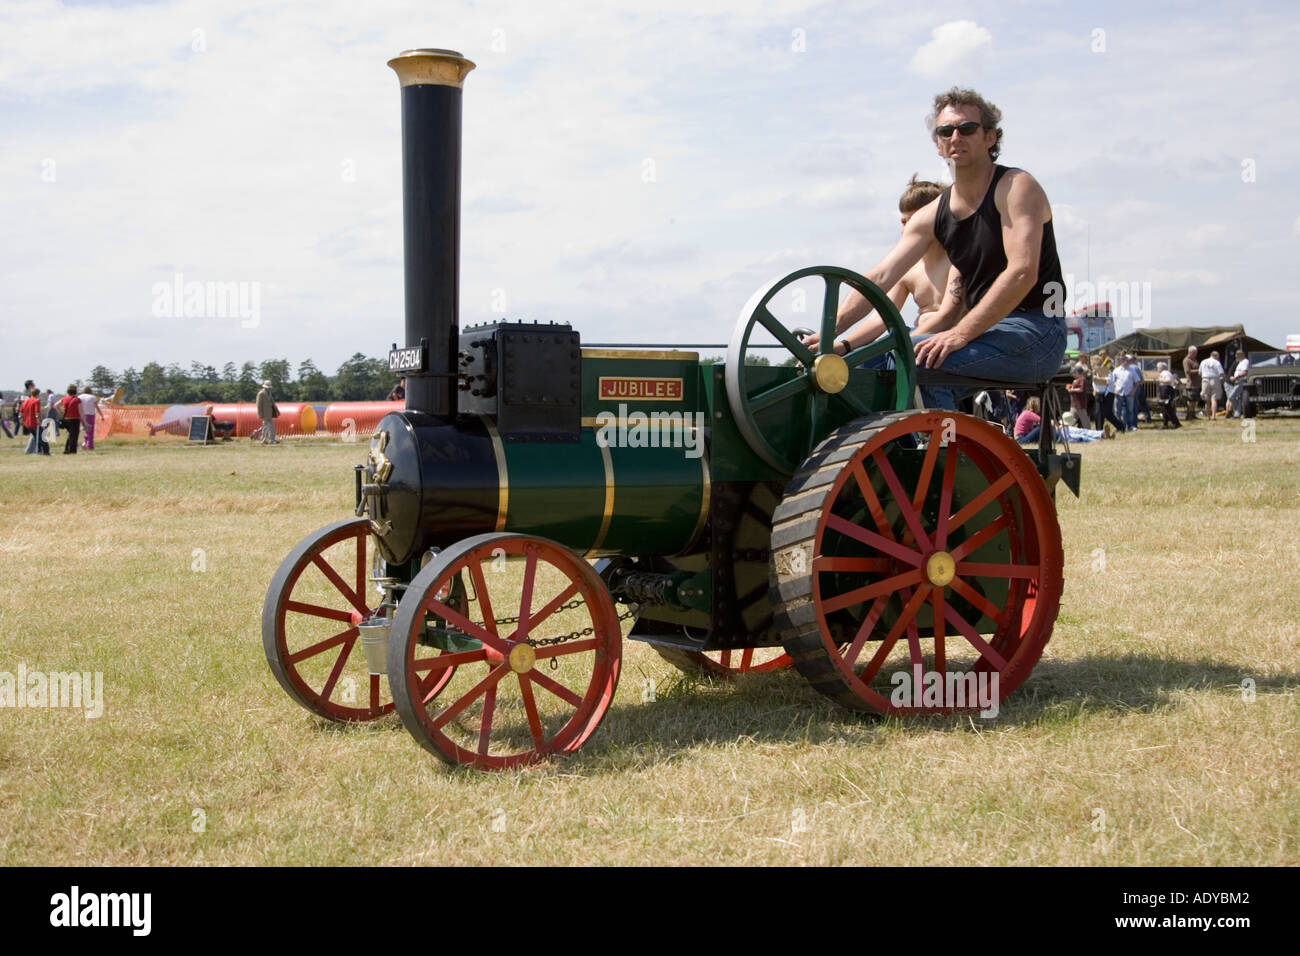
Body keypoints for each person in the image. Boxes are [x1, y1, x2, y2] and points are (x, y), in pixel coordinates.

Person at [816, 87, 1067, 410]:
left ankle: (945, 456)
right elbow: (880, 276)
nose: (955, 137)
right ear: (938, 145)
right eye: (945, 131)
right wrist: (830, 336)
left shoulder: (1016, 187)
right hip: (985, 332)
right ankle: (882, 453)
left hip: (1037, 331)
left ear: (990, 137)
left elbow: (1022, 272)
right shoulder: (933, 213)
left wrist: (960, 333)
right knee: (861, 365)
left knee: (920, 358)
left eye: (967, 128)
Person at [886, 175, 951, 325]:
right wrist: (845, 345)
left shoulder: (958, 260)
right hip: (921, 333)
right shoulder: (907, 268)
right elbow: (881, 319)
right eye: (904, 222)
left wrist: (924, 320)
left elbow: (953, 314)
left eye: (915, 221)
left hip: (951, 335)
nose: (908, 228)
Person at [1199, 350, 1225, 419]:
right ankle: (1213, 416)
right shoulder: (1217, 362)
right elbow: (1221, 373)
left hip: (1205, 380)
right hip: (1214, 379)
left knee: (1207, 399)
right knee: (1214, 399)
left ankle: (1208, 416)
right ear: (1216, 356)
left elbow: (1200, 372)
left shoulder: (1203, 361)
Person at [21, 387, 48, 455]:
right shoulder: (36, 401)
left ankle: (38, 450)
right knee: (42, 437)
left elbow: (21, 412)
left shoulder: (26, 401)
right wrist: (39, 420)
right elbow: (37, 412)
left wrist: (21, 420)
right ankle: (46, 452)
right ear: (38, 394)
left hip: (27, 423)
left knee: (37, 437)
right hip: (34, 423)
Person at [1066, 363, 1092, 428]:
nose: (1074, 374)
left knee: (1084, 420)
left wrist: (1072, 390)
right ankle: (1067, 431)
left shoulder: (1082, 379)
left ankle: (1090, 432)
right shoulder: (1076, 380)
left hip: (1079, 404)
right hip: (1074, 404)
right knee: (1070, 419)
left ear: (1078, 372)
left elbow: (1081, 389)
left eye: (1075, 372)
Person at [1156, 362, 1181, 429]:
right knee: (1164, 408)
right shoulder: (1165, 373)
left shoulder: (1165, 373)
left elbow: (1169, 380)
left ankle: (1175, 423)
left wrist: (1161, 380)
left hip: (1166, 390)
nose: (1157, 369)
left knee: (1167, 407)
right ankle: (1165, 423)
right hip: (1164, 389)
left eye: (1158, 367)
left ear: (1162, 368)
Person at [58, 385, 82, 454]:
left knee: (70, 435)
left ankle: (67, 449)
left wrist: (61, 412)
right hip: (74, 419)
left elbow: (56, 405)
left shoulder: (64, 398)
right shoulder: (77, 400)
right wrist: (85, 422)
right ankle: (72, 450)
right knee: (74, 436)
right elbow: (81, 412)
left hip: (66, 419)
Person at [1227, 350, 1250, 418]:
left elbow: (1244, 372)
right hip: (1237, 381)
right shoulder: (1240, 362)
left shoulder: (1245, 361)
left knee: (1232, 397)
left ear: (1241, 355)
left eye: (1237, 356)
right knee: (1238, 398)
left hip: (1241, 381)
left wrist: (1236, 377)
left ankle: (1237, 412)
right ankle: (1238, 413)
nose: (1236, 357)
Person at [255, 380, 279, 444]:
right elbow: (258, 404)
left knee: (266, 427)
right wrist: (260, 414)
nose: (269, 388)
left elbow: (272, 402)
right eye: (268, 387)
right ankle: (271, 440)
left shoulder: (269, 393)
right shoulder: (261, 394)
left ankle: (265, 440)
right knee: (269, 427)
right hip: (264, 413)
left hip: (269, 412)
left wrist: (276, 410)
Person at [1182, 345, 1201, 421]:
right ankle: (1189, 415)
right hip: (1191, 383)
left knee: (1195, 401)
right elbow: (1188, 371)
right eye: (1194, 353)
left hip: (1197, 383)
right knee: (1191, 400)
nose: (1196, 354)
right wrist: (1198, 371)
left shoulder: (1194, 360)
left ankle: (1193, 414)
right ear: (1190, 352)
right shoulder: (1187, 360)